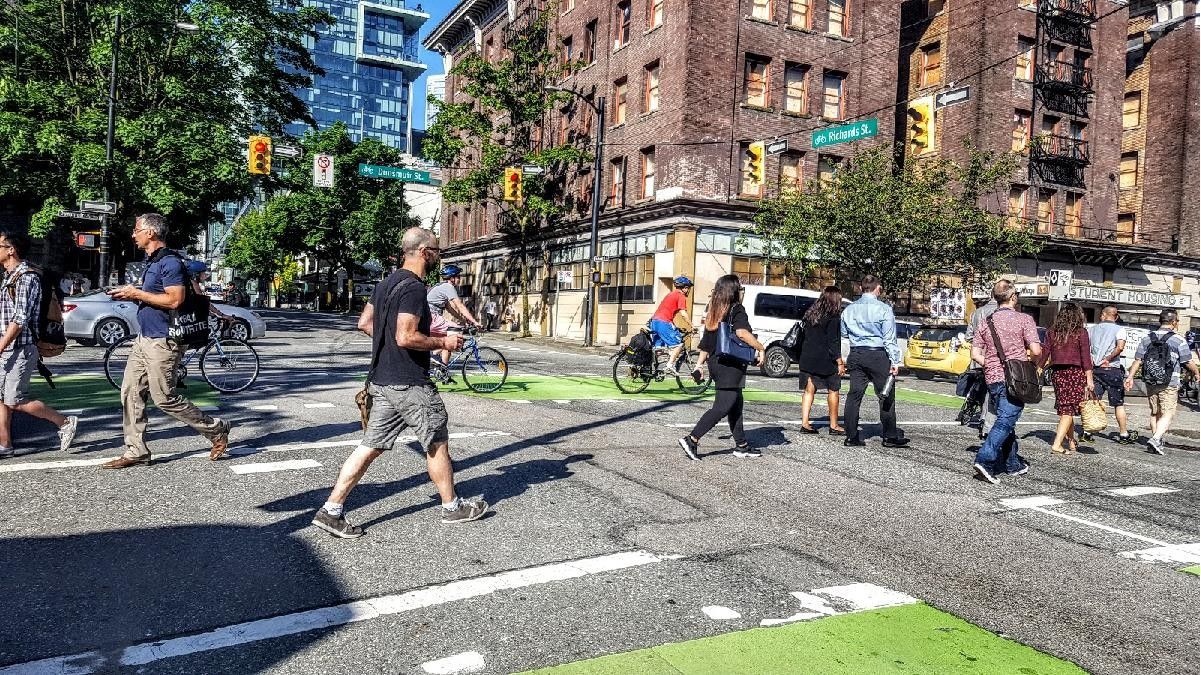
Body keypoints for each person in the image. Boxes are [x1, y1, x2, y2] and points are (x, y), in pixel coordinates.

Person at [312, 228, 488, 538]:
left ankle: (331, 510)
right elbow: (405, 336)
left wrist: (392, 343)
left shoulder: (384, 285)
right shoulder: (415, 289)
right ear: (424, 252)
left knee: (369, 447)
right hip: (410, 383)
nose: (439, 255)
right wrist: (443, 342)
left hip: (383, 380)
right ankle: (452, 508)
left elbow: (365, 324)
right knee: (436, 441)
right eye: (436, 250)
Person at [102, 213, 231, 469]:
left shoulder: (170, 262)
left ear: (150, 233)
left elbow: (175, 300)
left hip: (163, 341)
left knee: (164, 398)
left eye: (136, 229)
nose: (133, 234)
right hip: (144, 338)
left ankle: (216, 429)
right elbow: (157, 297)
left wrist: (136, 292)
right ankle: (136, 449)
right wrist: (133, 297)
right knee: (130, 391)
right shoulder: (153, 261)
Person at [0, 231, 78, 459]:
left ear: (10, 249)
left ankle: (64, 422)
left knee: (15, 400)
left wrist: (1, 345)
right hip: (8, 347)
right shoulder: (10, 276)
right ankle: (5, 444)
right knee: (1, 398)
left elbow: (20, 319)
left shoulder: (26, 277)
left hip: (20, 348)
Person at [678, 274, 766, 461]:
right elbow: (742, 333)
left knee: (736, 405)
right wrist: (760, 347)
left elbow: (707, 343)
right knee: (723, 406)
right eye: (740, 288)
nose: (742, 291)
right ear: (734, 291)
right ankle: (692, 439)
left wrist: (699, 365)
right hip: (731, 366)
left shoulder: (715, 310)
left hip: (718, 364)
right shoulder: (736, 309)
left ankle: (742, 446)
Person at [970, 280, 1041, 484]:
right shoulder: (1024, 319)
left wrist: (992, 364)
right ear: (1013, 297)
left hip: (992, 377)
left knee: (1004, 418)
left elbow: (975, 353)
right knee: (1005, 420)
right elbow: (1036, 350)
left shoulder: (986, 321)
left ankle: (1012, 464)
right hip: (1016, 378)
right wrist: (1030, 364)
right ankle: (985, 460)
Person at [840, 275, 908, 448]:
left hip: (856, 353)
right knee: (885, 395)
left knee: (854, 395)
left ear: (862, 288)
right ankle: (890, 436)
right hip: (878, 354)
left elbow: (843, 332)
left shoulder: (849, 309)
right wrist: (895, 361)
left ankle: (851, 436)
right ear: (878, 288)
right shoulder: (884, 309)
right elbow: (889, 339)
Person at [1124, 309, 1198, 455]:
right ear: (1174, 322)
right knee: (1168, 413)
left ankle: (1156, 441)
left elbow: (1138, 360)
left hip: (1151, 380)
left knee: (1155, 412)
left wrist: (1130, 377)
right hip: (1169, 381)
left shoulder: (1147, 338)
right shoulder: (1178, 340)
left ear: (1160, 321)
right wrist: (1196, 372)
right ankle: (1156, 438)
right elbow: (1187, 361)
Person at [1041, 303, 1093, 455]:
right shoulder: (1081, 332)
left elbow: (1045, 352)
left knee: (1065, 408)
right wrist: (1089, 379)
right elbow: (1086, 358)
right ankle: (1057, 444)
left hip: (1057, 373)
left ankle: (1071, 441)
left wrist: (1037, 367)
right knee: (1069, 409)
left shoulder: (1052, 332)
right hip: (1075, 373)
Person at [797, 286, 846, 436]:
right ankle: (834, 425)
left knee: (809, 390)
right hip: (826, 360)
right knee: (833, 390)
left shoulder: (811, 313)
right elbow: (833, 341)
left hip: (808, 357)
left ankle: (805, 423)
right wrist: (839, 362)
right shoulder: (834, 317)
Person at [1087, 306, 1136, 444]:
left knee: (1094, 400)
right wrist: (1108, 359)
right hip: (1112, 369)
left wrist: (1093, 360)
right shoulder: (1120, 329)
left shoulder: (1092, 330)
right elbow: (1120, 347)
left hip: (1095, 369)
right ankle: (1123, 433)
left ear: (1103, 315)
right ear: (1116, 316)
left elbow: (1087, 348)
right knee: (1118, 403)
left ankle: (1088, 431)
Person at [427, 264, 481, 363]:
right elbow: (460, 305)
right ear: (452, 278)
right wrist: (474, 321)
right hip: (431, 318)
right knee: (456, 331)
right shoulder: (448, 287)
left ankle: (443, 372)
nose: (460, 279)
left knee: (447, 344)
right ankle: (433, 354)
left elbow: (450, 309)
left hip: (430, 318)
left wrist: (464, 320)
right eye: (458, 276)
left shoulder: (441, 286)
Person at [963, 293, 999, 438]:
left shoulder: (977, 313)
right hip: (994, 357)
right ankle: (985, 421)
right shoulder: (1002, 313)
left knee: (982, 388)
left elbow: (968, 336)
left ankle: (977, 415)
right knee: (992, 390)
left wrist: (979, 345)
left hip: (978, 356)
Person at [649, 276, 694, 374]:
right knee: (678, 344)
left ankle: (650, 369)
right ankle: (670, 365)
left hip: (654, 322)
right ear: (685, 288)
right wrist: (692, 326)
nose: (688, 290)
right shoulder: (680, 296)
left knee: (658, 349)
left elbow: (666, 310)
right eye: (688, 288)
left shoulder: (670, 294)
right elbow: (683, 314)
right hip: (663, 323)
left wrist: (674, 326)